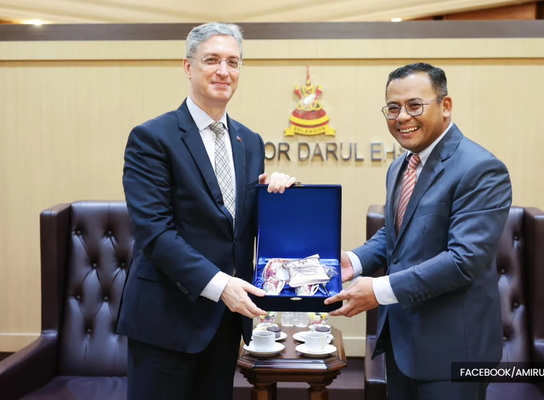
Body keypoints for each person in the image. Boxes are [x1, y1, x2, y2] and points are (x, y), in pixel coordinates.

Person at [117, 22, 296, 400]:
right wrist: (221, 286)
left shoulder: (249, 141)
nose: (223, 71)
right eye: (212, 60)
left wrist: (280, 198)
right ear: (188, 66)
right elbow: (154, 233)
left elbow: (239, 228)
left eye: (233, 62)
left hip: (225, 324)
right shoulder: (152, 138)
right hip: (166, 321)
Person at [325, 63, 512, 400]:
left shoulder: (481, 169)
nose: (402, 117)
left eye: (414, 105)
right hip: (403, 343)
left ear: (445, 105)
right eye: (393, 108)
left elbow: (463, 261)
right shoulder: (401, 165)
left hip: (453, 352)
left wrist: (379, 289)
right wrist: (354, 261)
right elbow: (396, 234)